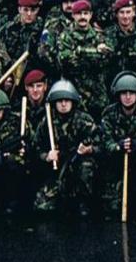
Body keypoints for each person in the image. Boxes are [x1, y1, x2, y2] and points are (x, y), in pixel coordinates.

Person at [33, 79, 99, 216]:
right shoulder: (47, 121)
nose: (63, 104)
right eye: (60, 101)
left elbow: (100, 144)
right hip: (56, 170)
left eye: (67, 100)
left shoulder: (84, 120)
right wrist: (46, 156)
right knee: (43, 207)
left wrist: (89, 149)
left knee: (86, 166)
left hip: (78, 166)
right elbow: (35, 147)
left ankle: (84, 202)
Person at [100, 72, 136, 217]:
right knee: (112, 210)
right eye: (124, 93)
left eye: (131, 93)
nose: (127, 97)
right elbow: (105, 141)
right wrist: (118, 146)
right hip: (116, 161)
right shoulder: (109, 113)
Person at [57, 0, 112, 119]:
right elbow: (65, 60)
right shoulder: (65, 36)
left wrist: (79, 52)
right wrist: (94, 51)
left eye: (85, 13)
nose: (82, 17)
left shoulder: (100, 36)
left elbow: (106, 60)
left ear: (91, 15)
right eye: (79, 13)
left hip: (97, 93)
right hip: (74, 90)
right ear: (73, 15)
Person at [104, 0, 136, 89]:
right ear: (116, 14)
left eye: (128, 12)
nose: (125, 16)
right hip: (114, 86)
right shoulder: (107, 35)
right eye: (122, 12)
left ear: (134, 13)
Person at [37, 0, 83, 75]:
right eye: (66, 2)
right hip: (59, 73)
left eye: (72, 1)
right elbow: (43, 50)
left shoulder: (84, 22)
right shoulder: (52, 25)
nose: (69, 5)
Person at [0, 0, 46, 65]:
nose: (29, 14)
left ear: (37, 10)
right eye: (25, 10)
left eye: (33, 10)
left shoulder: (42, 29)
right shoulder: (8, 29)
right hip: (11, 68)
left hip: (33, 69)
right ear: (19, 10)